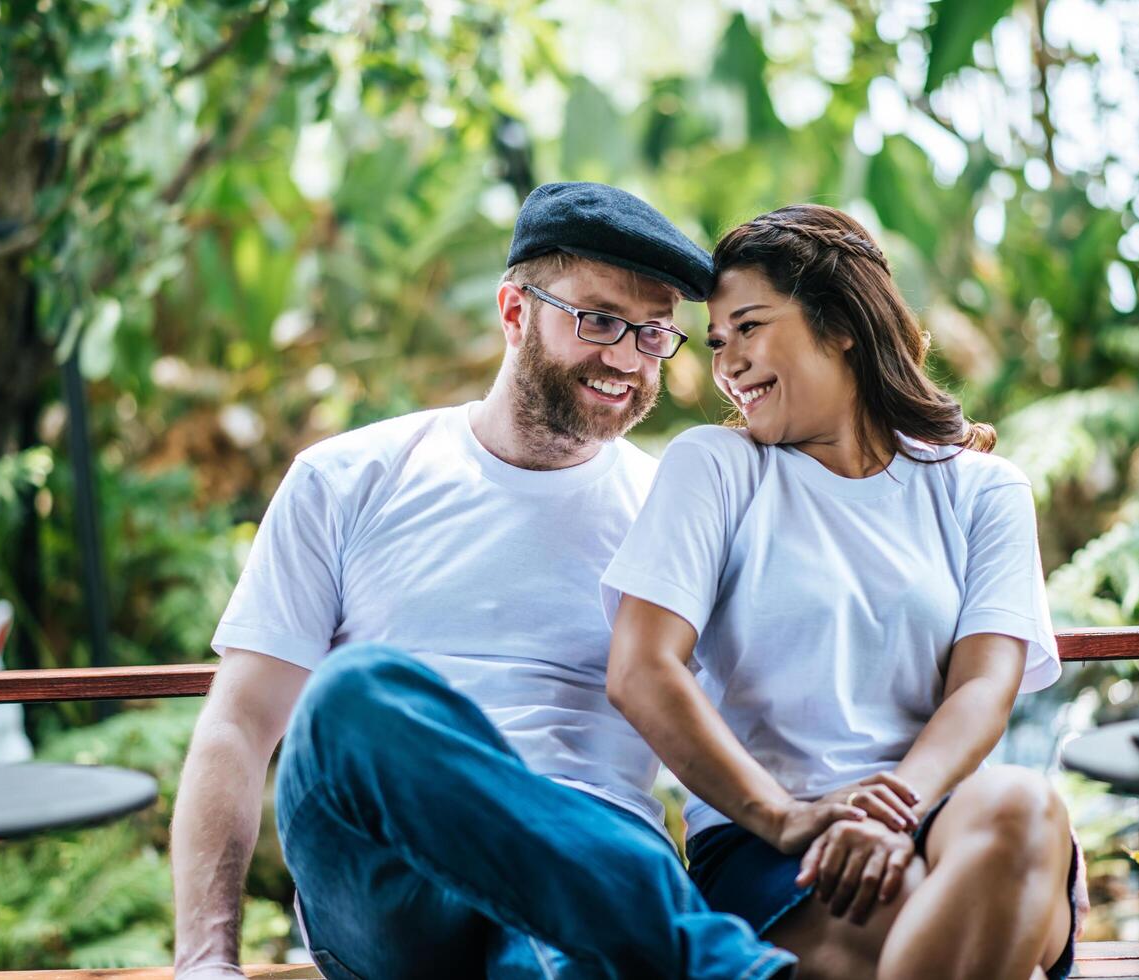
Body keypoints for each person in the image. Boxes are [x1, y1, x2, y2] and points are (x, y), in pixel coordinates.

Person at [170, 183, 800, 980]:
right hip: (397, 886)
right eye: (598, 319)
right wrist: (204, 964)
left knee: (580, 909)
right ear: (513, 311)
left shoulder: (675, 512)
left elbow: (755, 720)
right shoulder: (348, 477)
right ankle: (713, 965)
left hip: (592, 876)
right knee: (352, 694)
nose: (626, 359)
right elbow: (237, 725)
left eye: (652, 334)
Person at [604, 204, 1081, 980]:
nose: (726, 363)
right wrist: (788, 818)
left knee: (1023, 806)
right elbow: (639, 669)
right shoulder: (715, 469)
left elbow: (983, 690)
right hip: (772, 844)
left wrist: (893, 808)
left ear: (842, 324)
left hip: (945, 813)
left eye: (750, 327)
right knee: (956, 916)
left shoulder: (981, 490)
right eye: (717, 340)